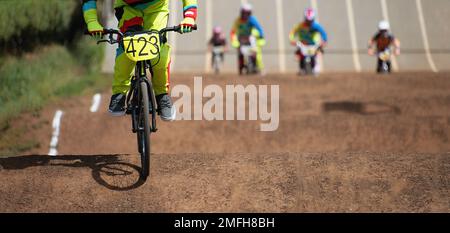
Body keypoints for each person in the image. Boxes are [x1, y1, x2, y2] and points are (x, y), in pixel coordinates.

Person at [82, 0, 198, 120]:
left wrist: (189, 16)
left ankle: (162, 95)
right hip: (127, 7)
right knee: (127, 47)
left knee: (158, 53)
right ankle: (119, 93)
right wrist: (92, 21)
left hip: (156, 6)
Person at [289, 7, 328, 74]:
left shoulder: (316, 26)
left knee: (318, 53)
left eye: (311, 21)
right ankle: (301, 69)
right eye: (307, 20)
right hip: (303, 44)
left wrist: (324, 41)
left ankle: (316, 66)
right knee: (299, 54)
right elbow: (292, 32)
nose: (309, 22)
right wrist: (292, 40)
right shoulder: (300, 25)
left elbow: (323, 34)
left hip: (313, 44)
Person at [230, 3, 266, 74]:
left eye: (247, 13)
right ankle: (241, 67)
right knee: (240, 52)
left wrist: (261, 36)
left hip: (250, 37)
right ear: (241, 12)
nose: (245, 15)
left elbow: (259, 28)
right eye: (244, 13)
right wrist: (234, 41)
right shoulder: (237, 21)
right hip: (241, 38)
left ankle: (258, 66)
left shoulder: (252, 20)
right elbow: (233, 31)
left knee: (255, 51)